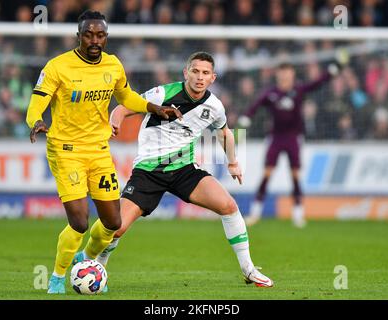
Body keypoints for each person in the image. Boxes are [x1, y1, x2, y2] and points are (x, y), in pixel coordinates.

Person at [74, 51, 274, 288]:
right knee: (116, 229)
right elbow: (125, 107)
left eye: (205, 73)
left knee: (229, 206)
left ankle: (248, 269)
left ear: (213, 78)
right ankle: (98, 263)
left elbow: (224, 132)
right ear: (186, 73)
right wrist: (115, 120)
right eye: (196, 71)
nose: (200, 77)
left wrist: (232, 162)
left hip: (184, 170)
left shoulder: (214, 106)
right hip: (149, 171)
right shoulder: (162, 93)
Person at [25, 10, 181, 294]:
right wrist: (35, 121)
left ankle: (85, 262)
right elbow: (37, 102)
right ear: (79, 36)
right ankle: (58, 277)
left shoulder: (113, 65)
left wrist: (154, 108)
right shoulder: (58, 66)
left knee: (112, 221)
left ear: (106, 37)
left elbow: (127, 96)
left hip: (98, 150)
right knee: (80, 222)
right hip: (66, 150)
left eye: (100, 35)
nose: (95, 40)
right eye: (89, 35)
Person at [239, 58, 344, 228]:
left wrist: (331, 72)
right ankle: (255, 213)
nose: (285, 77)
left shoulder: (299, 90)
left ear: (292, 74)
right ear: (278, 75)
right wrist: (246, 117)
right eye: (282, 73)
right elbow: (256, 104)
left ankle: (298, 214)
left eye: (288, 73)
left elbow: (317, 84)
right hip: (276, 137)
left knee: (295, 175)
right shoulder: (271, 93)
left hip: (293, 137)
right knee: (267, 174)